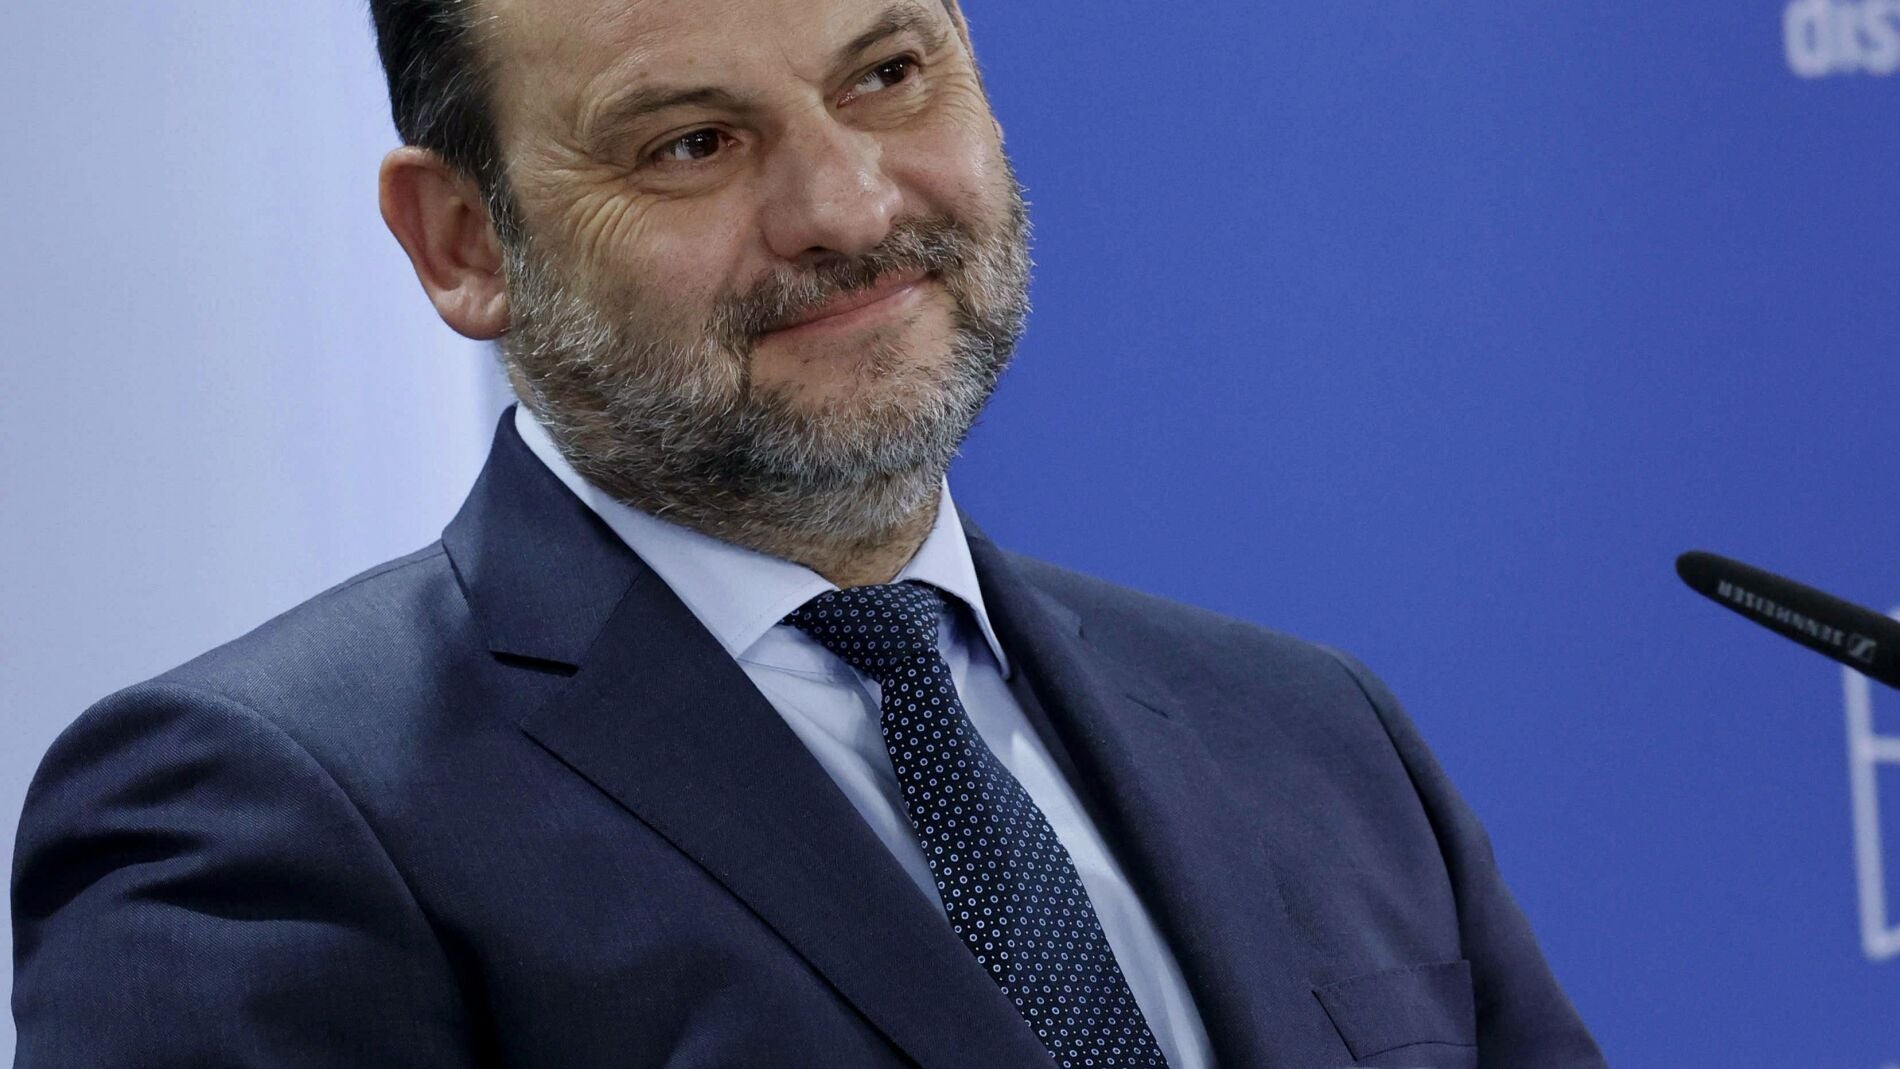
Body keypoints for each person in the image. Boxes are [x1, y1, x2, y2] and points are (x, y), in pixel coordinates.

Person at [8, 0, 1607, 1065]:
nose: (847, 207)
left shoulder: (1314, 736)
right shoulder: (257, 815)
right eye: (689, 143)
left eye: (887, 75)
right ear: (463, 242)